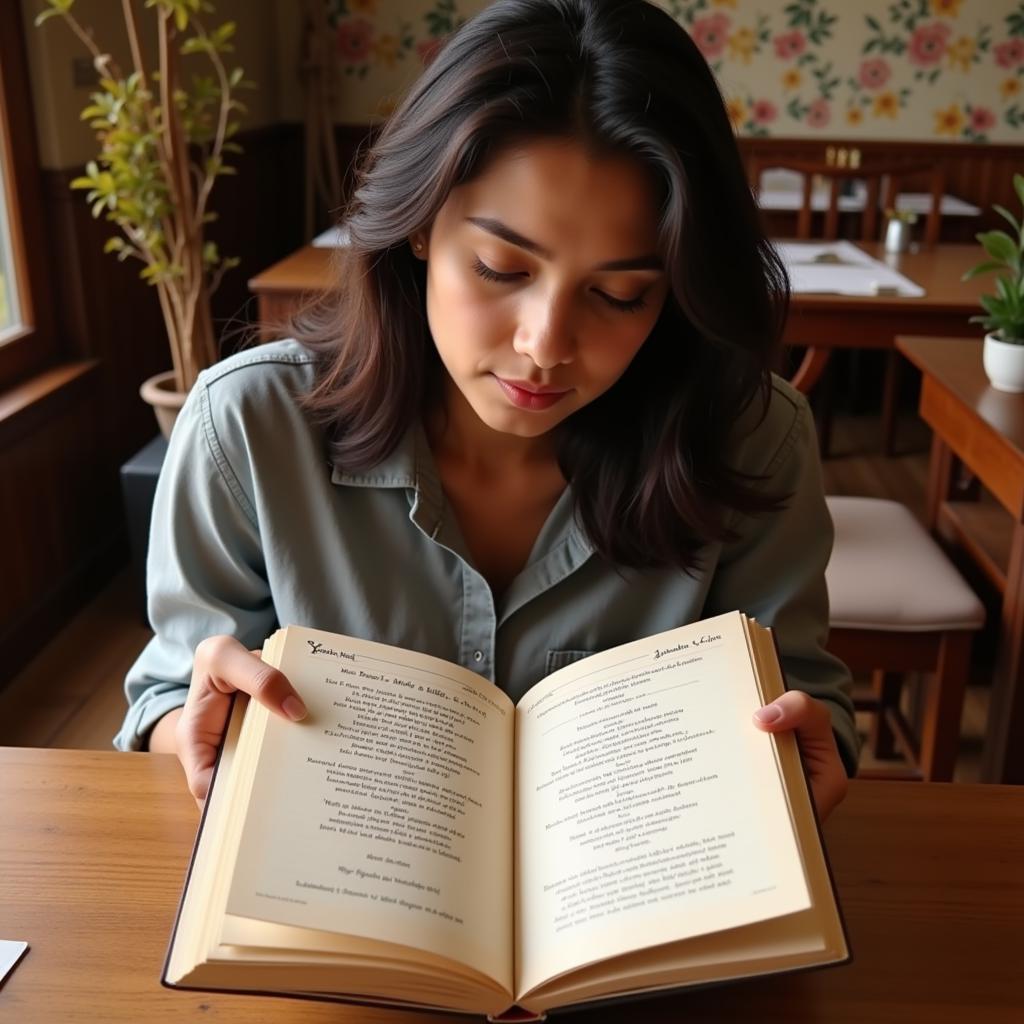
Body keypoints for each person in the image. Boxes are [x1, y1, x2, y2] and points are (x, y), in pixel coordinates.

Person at [115, 0, 857, 819]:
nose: (546, 344)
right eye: (502, 269)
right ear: (422, 228)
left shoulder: (751, 440)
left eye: (619, 295)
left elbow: (805, 697)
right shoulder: (249, 427)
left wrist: (807, 746)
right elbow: (167, 696)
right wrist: (192, 723)